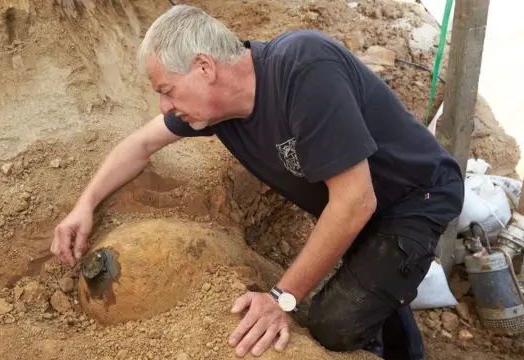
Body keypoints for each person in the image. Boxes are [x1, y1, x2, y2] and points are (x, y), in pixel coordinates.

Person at [50, 4, 464, 360]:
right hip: (364, 207)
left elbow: (355, 202)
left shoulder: (303, 69)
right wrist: (83, 205)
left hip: (414, 197)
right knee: (373, 282)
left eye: (167, 90)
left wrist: (282, 298)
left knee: (332, 325)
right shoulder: (217, 111)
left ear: (204, 67)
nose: (165, 105)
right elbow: (140, 145)